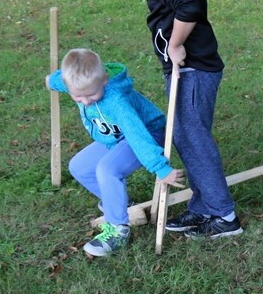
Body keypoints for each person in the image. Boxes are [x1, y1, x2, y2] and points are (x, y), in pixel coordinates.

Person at [112, 0, 241, 239]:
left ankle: (224, 215)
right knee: (187, 135)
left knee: (192, 138)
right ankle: (203, 206)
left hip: (191, 67)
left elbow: (189, 7)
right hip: (197, 65)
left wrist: (176, 43)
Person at [45, 48, 183, 257]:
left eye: (91, 94)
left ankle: (118, 230)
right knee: (79, 167)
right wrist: (50, 81)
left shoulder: (117, 101)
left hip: (147, 135)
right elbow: (60, 80)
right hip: (115, 139)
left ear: (105, 80)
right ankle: (120, 204)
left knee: (107, 169)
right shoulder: (78, 84)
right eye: (78, 96)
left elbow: (137, 135)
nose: (86, 101)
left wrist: (160, 168)